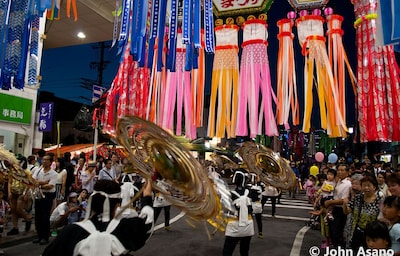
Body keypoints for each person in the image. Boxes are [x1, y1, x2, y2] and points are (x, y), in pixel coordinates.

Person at [42, 179, 154, 256]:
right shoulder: (126, 229)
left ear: (92, 202)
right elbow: (147, 220)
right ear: (116, 206)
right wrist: (147, 196)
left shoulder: (71, 231)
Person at [343, 175, 382, 251]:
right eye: (364, 185)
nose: (366, 188)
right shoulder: (357, 198)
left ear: (374, 187)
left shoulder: (380, 200)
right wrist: (344, 204)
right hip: (356, 232)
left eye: (369, 185)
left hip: (372, 234)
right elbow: (347, 212)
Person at [222, 170, 254, 256]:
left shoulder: (230, 194)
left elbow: (225, 207)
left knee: (227, 252)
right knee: (244, 252)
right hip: (248, 225)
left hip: (234, 226)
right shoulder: (250, 192)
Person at [32, 153, 58, 245]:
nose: (44, 161)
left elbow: (50, 186)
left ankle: (45, 237)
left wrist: (39, 185)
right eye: (43, 159)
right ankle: (39, 236)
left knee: (45, 216)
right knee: (38, 217)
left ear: (50, 162)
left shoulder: (54, 174)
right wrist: (43, 183)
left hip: (47, 196)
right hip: (38, 195)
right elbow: (33, 181)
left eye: (46, 160)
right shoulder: (38, 170)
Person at [325, 163, 352, 247]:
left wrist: (330, 202)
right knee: (332, 232)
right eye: (339, 170)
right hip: (333, 209)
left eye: (342, 170)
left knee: (337, 232)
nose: (340, 172)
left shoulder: (347, 184)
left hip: (340, 210)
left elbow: (344, 200)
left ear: (347, 172)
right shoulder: (338, 181)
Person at [7, 162, 33, 236]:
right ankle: (15, 228)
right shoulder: (12, 171)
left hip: (22, 193)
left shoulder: (27, 172)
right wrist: (9, 192)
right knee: (13, 210)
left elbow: (30, 184)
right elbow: (9, 182)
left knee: (19, 209)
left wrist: (26, 193)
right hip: (13, 191)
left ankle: (27, 219)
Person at [249, 174, 264, 238]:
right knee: (259, 220)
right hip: (258, 205)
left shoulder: (251, 187)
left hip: (252, 204)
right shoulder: (261, 186)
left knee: (249, 220)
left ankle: (249, 233)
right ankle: (260, 233)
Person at [0, 188, 10, 255]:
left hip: (1, 222)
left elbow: (8, 210)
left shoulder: (4, 203)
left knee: (0, 235)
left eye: (0, 194)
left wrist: (5, 218)